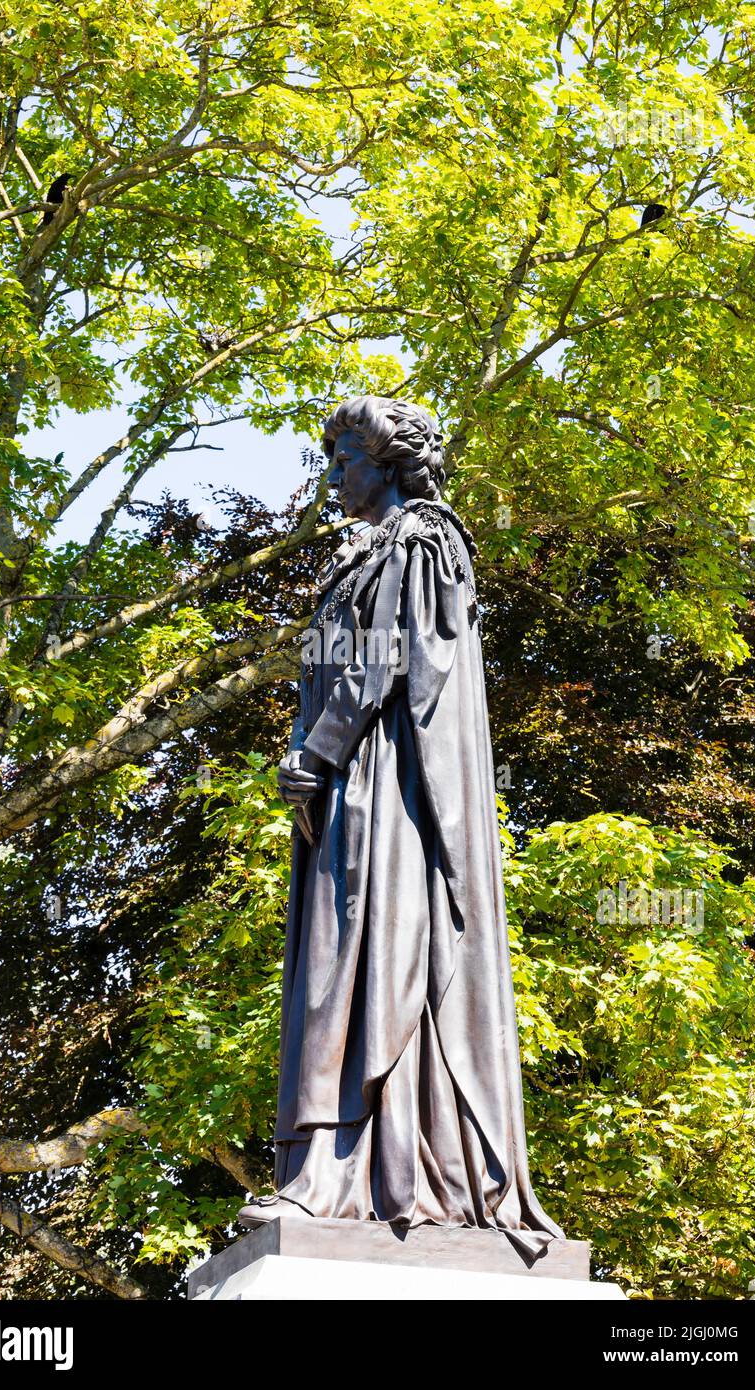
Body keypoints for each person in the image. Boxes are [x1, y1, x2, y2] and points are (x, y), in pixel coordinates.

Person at [238, 395, 564, 1260]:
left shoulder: (421, 541)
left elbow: (394, 659)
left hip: (391, 796)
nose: (331, 475)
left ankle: (365, 1178)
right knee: (335, 964)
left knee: (365, 954)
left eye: (345, 459)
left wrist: (317, 750)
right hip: (350, 788)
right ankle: (332, 1175)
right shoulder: (360, 554)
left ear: (386, 465)